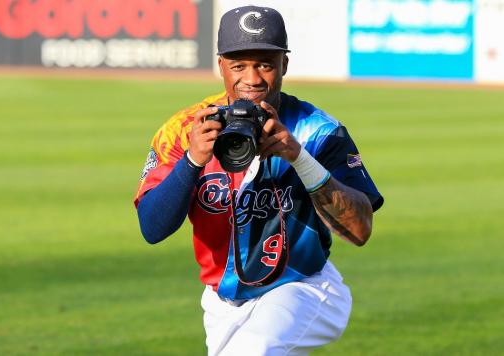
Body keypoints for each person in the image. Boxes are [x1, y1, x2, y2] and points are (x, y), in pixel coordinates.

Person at [134, 5, 383, 355]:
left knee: (254, 350)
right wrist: (192, 161)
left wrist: (299, 157)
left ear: (284, 64)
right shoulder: (184, 130)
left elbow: (360, 230)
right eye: (239, 65)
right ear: (220, 65)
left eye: (264, 64)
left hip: (304, 286)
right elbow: (152, 228)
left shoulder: (318, 131)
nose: (251, 79)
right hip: (222, 302)